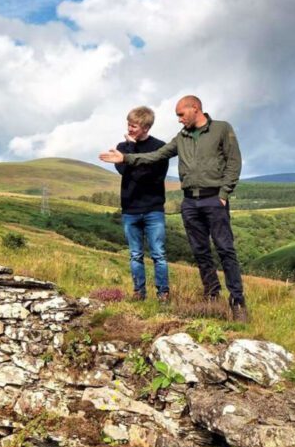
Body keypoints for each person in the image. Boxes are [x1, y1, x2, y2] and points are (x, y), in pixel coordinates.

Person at [99, 95, 248, 322]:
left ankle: (237, 302)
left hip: (213, 199)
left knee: (225, 249)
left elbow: (234, 161)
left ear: (195, 108)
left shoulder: (221, 129)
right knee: (200, 252)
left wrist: (224, 193)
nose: (179, 120)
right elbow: (156, 155)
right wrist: (126, 157)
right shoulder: (182, 137)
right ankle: (212, 294)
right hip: (189, 202)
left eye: (181, 114)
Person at [112, 106, 170, 302]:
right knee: (135, 255)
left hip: (154, 209)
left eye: (134, 126)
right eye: (128, 124)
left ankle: (163, 294)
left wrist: (131, 165)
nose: (129, 129)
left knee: (158, 255)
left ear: (145, 127)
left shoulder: (161, 147)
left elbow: (153, 177)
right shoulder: (122, 147)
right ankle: (139, 293)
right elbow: (122, 171)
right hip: (130, 209)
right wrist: (129, 149)